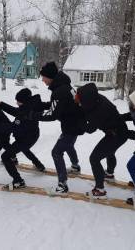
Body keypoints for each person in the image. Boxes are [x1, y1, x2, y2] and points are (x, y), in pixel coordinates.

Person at [35, 62, 85, 193]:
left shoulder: (59, 91)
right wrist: (40, 105)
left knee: (56, 152)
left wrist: (33, 115)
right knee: (68, 144)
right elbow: (58, 105)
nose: (42, 80)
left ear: (50, 77)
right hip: (76, 122)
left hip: (72, 125)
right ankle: (75, 166)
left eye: (43, 77)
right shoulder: (64, 85)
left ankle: (63, 184)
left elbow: (52, 114)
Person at [76, 83, 128, 198]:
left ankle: (100, 189)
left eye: (80, 100)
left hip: (117, 134)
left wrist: (78, 121)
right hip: (117, 132)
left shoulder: (100, 109)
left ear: (86, 99)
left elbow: (90, 129)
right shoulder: (97, 99)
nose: (79, 102)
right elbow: (88, 110)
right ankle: (109, 174)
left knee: (94, 158)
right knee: (110, 151)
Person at [0, 88, 46, 172]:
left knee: (6, 155)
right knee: (25, 149)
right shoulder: (27, 107)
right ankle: (39, 165)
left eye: (18, 101)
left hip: (26, 138)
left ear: (24, 101)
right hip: (29, 136)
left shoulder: (25, 113)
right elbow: (15, 111)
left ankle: (18, 180)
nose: (17, 102)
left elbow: (11, 127)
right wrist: (0, 104)